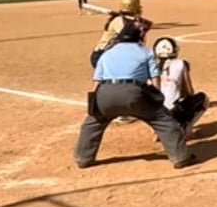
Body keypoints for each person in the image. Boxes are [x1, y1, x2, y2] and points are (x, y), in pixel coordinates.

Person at [74, 23, 195, 169]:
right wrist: (157, 98)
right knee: (165, 121)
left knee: (92, 124)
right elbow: (155, 78)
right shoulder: (145, 52)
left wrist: (95, 104)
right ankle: (180, 157)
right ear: (139, 37)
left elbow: (97, 81)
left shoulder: (107, 53)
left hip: (105, 93)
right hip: (134, 94)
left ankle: (83, 158)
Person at [151, 37, 210, 128]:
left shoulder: (150, 65)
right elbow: (190, 92)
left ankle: (158, 128)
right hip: (171, 112)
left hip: (153, 114)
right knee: (203, 99)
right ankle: (185, 128)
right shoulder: (180, 63)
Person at [91, 0, 150, 68]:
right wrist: (141, 27)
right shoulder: (119, 21)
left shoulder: (128, 21)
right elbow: (128, 37)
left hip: (111, 55)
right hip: (102, 55)